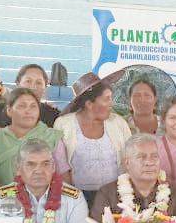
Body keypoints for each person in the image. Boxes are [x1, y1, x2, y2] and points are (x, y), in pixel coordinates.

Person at [0, 139, 88, 223]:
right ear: (18, 168)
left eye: (45, 164)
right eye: (30, 164)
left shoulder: (74, 197)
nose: (38, 171)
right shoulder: (1, 197)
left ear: (53, 167)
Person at [0, 87, 69, 199]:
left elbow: (64, 176)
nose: (28, 111)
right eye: (22, 106)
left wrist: (53, 202)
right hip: (7, 200)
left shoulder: (52, 137)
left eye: (33, 106)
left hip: (46, 202)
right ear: (9, 110)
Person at [54, 72, 131, 207]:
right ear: (89, 104)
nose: (111, 104)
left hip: (114, 197)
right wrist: (71, 197)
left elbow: (131, 157)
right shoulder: (63, 124)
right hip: (77, 196)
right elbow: (61, 165)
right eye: (106, 99)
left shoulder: (119, 123)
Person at [90, 134, 176, 223]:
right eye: (141, 157)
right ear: (127, 163)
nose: (149, 163)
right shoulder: (108, 194)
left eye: (154, 156)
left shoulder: (175, 195)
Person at [0, 64, 61, 130]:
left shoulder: (53, 116)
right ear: (17, 84)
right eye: (28, 81)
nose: (33, 87)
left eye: (39, 83)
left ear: (45, 87)